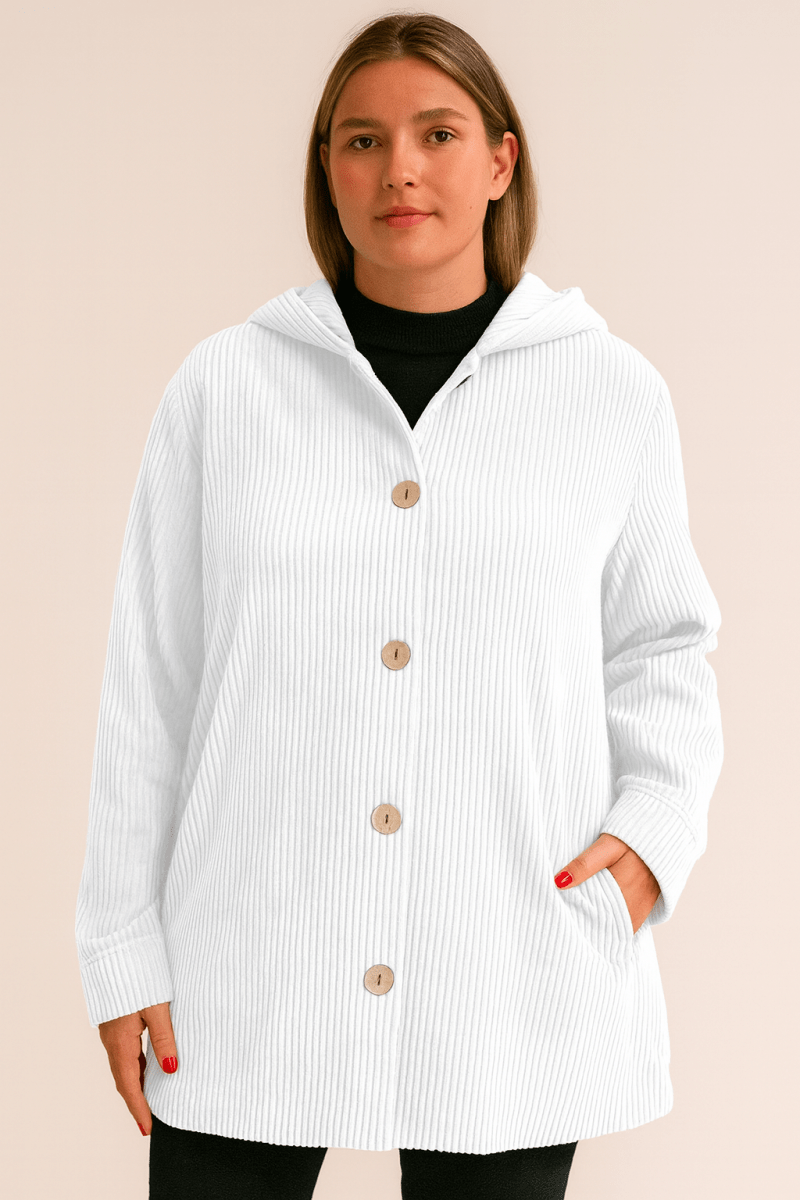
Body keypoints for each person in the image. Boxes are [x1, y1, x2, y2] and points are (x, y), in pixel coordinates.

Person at [75, 12, 724, 1199]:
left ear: (500, 161)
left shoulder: (608, 394)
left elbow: (662, 647)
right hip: (250, 962)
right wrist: (121, 950)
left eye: (437, 134)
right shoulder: (225, 390)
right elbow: (149, 684)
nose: (399, 171)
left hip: (510, 965)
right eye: (362, 141)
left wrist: (649, 841)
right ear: (326, 168)